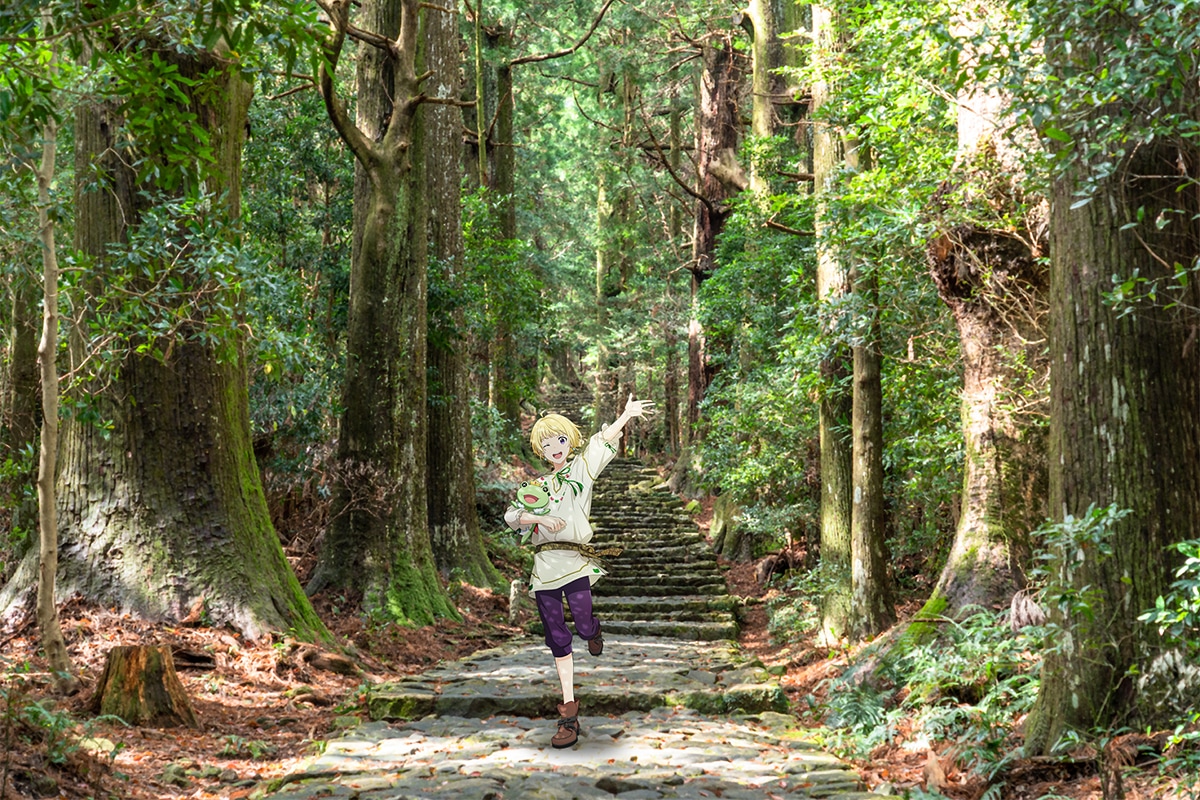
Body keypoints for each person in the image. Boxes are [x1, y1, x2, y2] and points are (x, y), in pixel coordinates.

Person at [504, 395, 653, 748]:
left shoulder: (579, 471)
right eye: (546, 443)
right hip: (544, 568)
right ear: (539, 450)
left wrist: (625, 417)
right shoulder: (536, 487)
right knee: (557, 636)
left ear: (569, 440)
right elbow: (513, 516)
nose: (554, 447)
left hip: (575, 563)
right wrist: (539, 518)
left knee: (583, 623)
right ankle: (568, 715)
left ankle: (593, 630)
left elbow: (602, 443)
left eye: (559, 440)